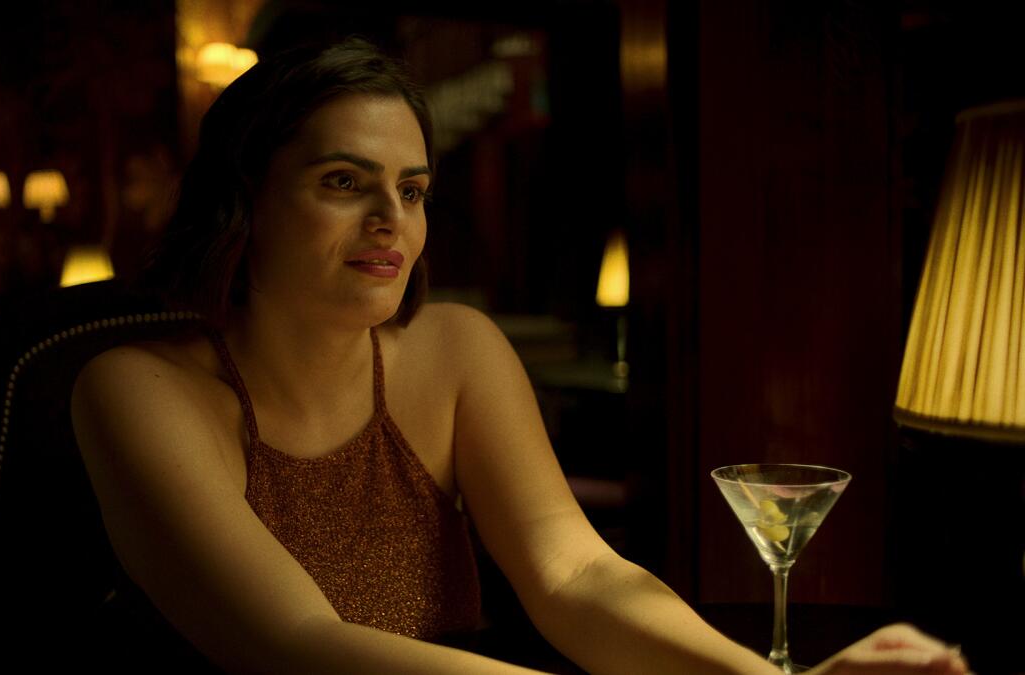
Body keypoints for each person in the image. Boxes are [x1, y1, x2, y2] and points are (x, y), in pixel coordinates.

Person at [71, 38, 969, 674]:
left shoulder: (457, 350)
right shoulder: (135, 388)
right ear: (245, 200)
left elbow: (577, 573)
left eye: (412, 189)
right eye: (344, 182)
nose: (392, 220)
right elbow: (297, 642)